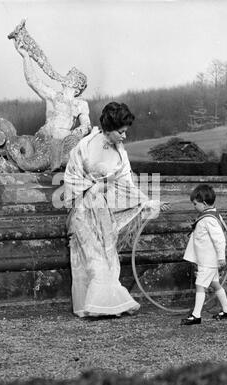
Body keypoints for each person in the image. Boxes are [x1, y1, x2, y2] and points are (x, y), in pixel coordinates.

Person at [64, 102, 170, 318]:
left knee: (109, 258)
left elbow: (127, 185)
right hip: (84, 211)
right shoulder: (86, 146)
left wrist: (146, 203)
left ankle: (109, 306)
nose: (124, 136)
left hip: (104, 213)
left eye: (125, 132)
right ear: (109, 129)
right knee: (95, 260)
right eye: (121, 132)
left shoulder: (121, 153)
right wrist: (93, 189)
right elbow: (71, 178)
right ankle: (96, 306)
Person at [7, 39, 91, 172]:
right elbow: (33, 81)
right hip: (46, 139)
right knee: (33, 164)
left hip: (66, 142)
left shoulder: (81, 104)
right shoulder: (53, 96)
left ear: (76, 88)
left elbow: (86, 125)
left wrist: (76, 133)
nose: (66, 77)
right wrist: (26, 57)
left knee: (77, 159)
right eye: (68, 75)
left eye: (71, 77)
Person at [181, 184, 227, 325]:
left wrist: (221, 257)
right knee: (215, 284)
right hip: (207, 259)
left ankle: (196, 315)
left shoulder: (209, 218)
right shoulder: (209, 215)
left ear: (203, 203)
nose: (194, 206)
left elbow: (219, 239)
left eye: (195, 204)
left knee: (200, 285)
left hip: (208, 260)